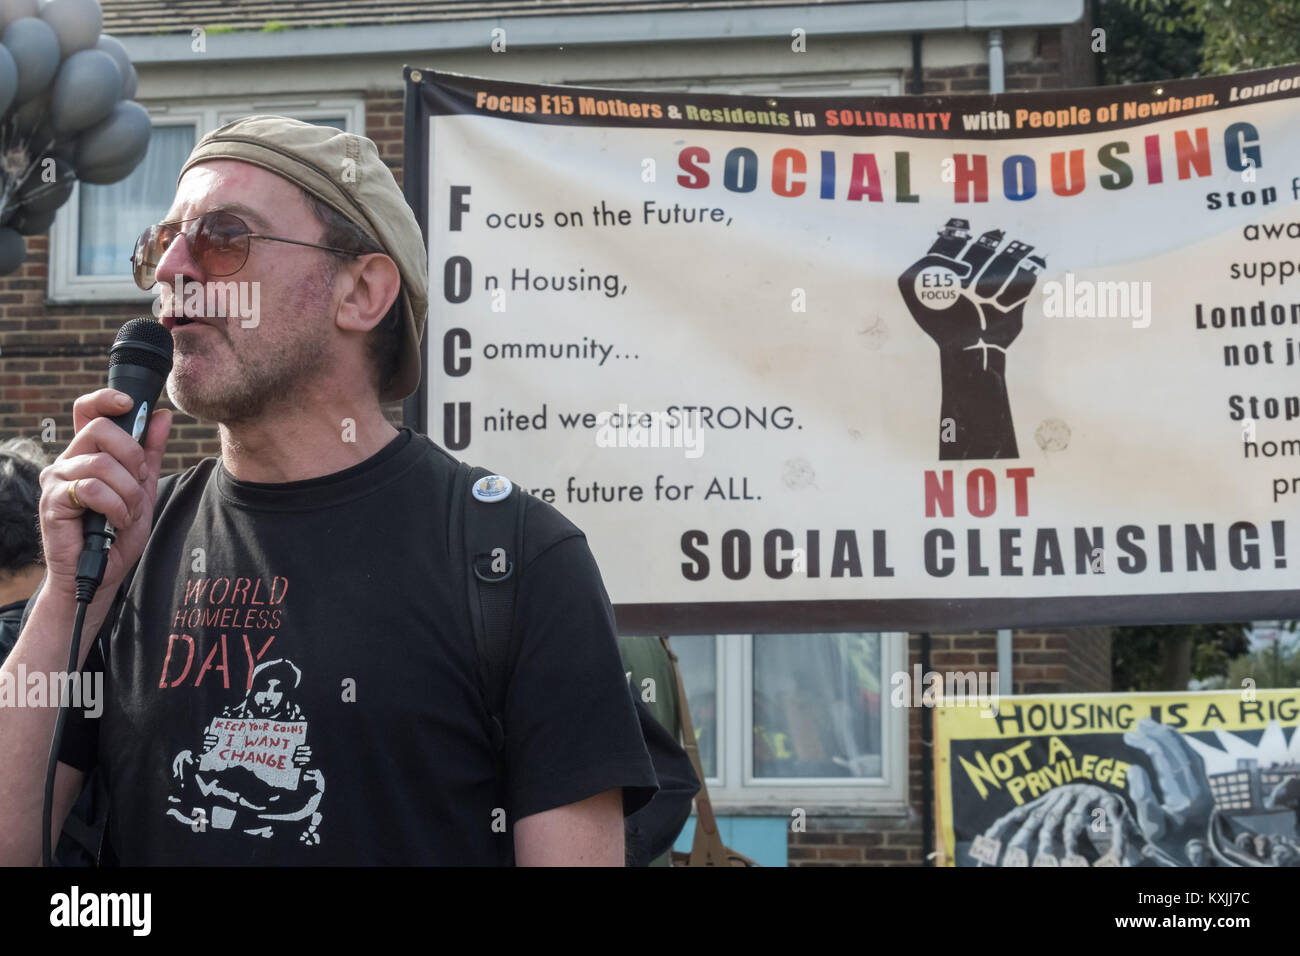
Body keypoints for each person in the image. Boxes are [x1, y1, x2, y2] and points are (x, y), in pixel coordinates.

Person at [0, 116, 657, 865]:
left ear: (361, 291)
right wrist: (62, 595)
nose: (174, 269)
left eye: (223, 235)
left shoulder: (516, 558)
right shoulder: (122, 546)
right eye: (161, 242)